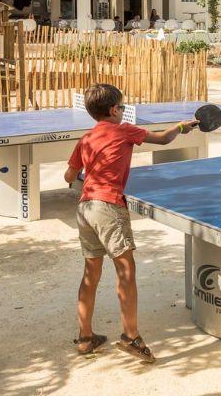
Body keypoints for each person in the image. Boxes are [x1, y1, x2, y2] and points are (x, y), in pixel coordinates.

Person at [64, 84, 200, 361]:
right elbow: (162, 139)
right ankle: (130, 337)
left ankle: (85, 337)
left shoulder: (86, 139)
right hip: (108, 206)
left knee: (91, 273)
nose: (124, 112)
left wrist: (91, 172)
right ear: (114, 110)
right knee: (126, 272)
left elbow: (69, 177)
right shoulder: (124, 130)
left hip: (85, 207)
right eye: (123, 108)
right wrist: (182, 127)